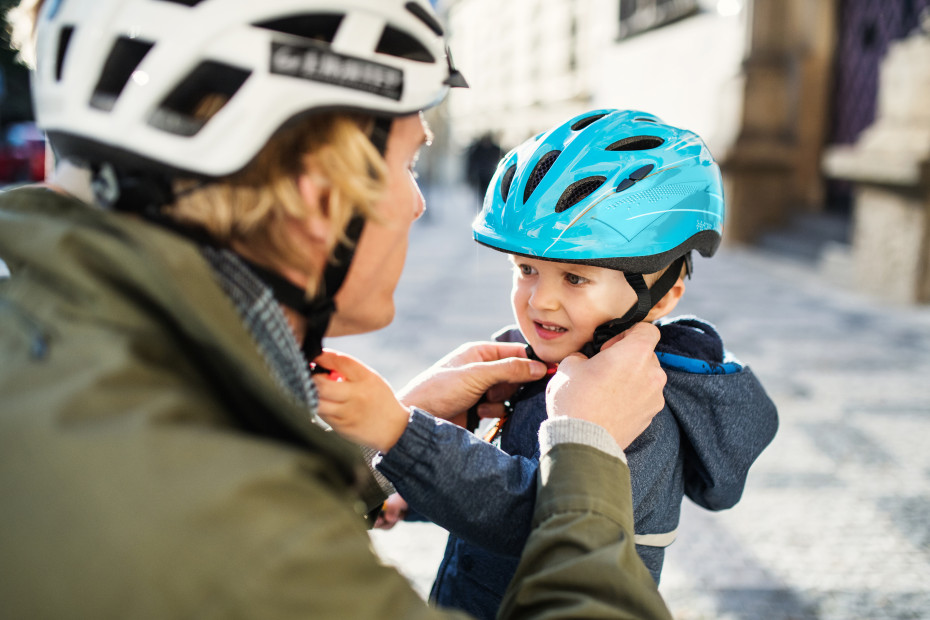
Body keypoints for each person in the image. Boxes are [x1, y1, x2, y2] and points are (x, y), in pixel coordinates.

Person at [0, 2, 674, 619]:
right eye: (410, 162)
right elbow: (238, 555)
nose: (417, 203)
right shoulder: (230, 539)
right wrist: (588, 450)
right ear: (319, 197)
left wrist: (370, 455)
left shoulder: (61, 355)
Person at [342, 110, 779, 619]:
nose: (540, 302)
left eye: (574, 278)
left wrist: (403, 435)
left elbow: (528, 515)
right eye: (526, 269)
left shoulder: (636, 405)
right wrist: (406, 496)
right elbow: (496, 466)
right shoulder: (545, 363)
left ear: (662, 296)